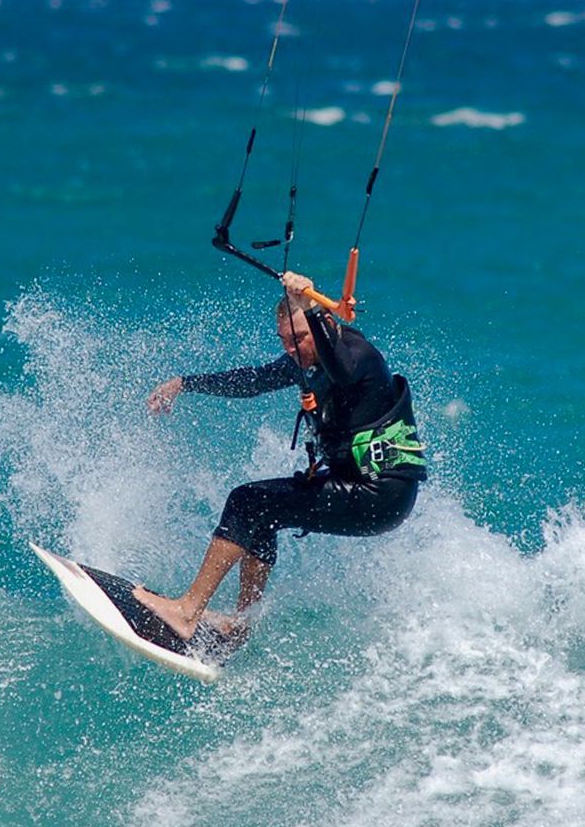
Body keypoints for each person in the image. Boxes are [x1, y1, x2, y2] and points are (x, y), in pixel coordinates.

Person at [135, 271, 426, 642]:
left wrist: (313, 311)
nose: (292, 349)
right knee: (262, 513)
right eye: (285, 341)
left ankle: (186, 611)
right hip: (360, 485)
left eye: (299, 338)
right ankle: (239, 625)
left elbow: (341, 370)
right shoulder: (305, 360)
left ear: (325, 324)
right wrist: (185, 384)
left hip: (380, 493)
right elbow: (254, 381)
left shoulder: (359, 356)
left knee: (245, 500)